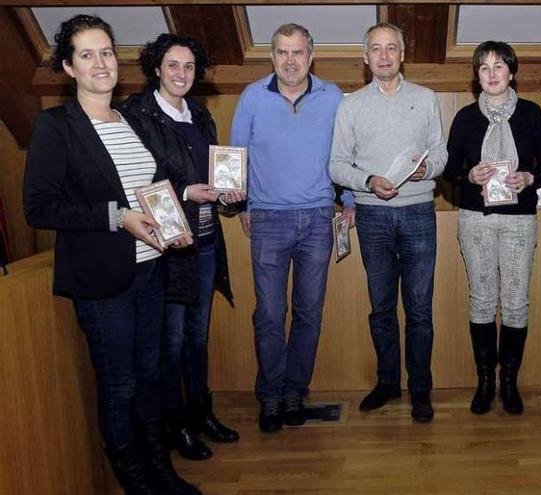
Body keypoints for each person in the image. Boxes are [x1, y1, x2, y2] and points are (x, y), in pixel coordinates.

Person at [23, 15, 200, 495]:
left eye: (105, 52)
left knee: (149, 377)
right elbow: (39, 208)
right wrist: (117, 217)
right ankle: (138, 484)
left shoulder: (131, 119)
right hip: (103, 282)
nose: (100, 63)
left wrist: (172, 226)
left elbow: (149, 191)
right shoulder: (55, 125)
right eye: (86, 54)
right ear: (68, 66)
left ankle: (161, 470)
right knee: (120, 386)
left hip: (151, 271)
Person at [119, 33, 243, 461]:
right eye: (172, 65)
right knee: (169, 342)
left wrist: (228, 193)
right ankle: (178, 426)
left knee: (197, 337)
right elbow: (133, 180)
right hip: (167, 244)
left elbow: (217, 171)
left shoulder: (201, 114)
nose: (181, 74)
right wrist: (187, 192)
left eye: (189, 67)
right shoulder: (136, 114)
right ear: (156, 67)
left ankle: (201, 413)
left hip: (206, 240)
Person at [230, 23, 349, 433]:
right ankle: (271, 394)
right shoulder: (251, 97)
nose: (290, 60)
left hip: (318, 217)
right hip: (267, 219)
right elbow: (235, 157)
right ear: (272, 57)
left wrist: (347, 201)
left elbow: (344, 153)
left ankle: (295, 389)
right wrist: (242, 203)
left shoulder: (333, 97)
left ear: (311, 56)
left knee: (308, 312)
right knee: (268, 313)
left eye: (298, 52)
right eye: (282, 52)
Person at [329, 22, 447, 423]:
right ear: (365, 58)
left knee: (419, 309)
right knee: (381, 308)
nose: (383, 55)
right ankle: (386, 382)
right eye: (375, 49)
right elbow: (337, 165)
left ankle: (420, 389)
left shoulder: (427, 98)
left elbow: (441, 155)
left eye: (391, 48)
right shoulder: (351, 105)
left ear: (402, 55)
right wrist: (367, 182)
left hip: (418, 213)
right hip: (373, 214)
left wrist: (425, 168)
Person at [444, 41, 541, 415]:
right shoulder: (464, 118)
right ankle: (485, 383)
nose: (491, 74)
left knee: (515, 301)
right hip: (476, 217)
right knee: (481, 299)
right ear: (477, 76)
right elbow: (450, 171)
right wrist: (468, 174)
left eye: (498, 67)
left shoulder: (532, 114)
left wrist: (529, 176)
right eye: (484, 68)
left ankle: (509, 382)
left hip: (519, 220)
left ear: (511, 72)